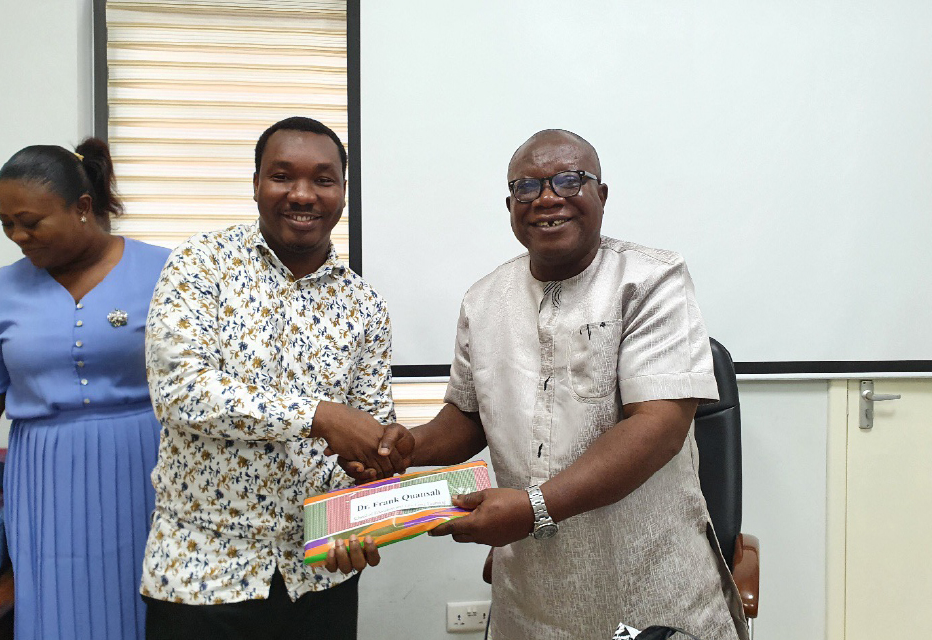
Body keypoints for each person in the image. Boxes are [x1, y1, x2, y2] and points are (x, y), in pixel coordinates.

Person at [343, 129, 750, 639]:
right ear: (510, 205)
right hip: (531, 597)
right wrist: (410, 446)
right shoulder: (483, 299)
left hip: (649, 587)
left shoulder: (651, 280)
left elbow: (659, 427)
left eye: (568, 180)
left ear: (601, 195)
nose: (548, 198)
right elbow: (469, 417)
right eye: (527, 188)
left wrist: (534, 508)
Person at [140, 116, 413, 640]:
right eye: (282, 176)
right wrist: (317, 415)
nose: (303, 194)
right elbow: (180, 392)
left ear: (343, 192)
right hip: (204, 574)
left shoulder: (364, 304)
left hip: (320, 574)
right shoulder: (200, 265)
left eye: (324, 180)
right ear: (256, 184)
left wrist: (369, 499)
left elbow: (369, 431)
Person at [0, 139, 171, 640]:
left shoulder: (169, 272)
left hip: (148, 467)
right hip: (44, 476)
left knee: (148, 606)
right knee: (59, 610)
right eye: (5, 223)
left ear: (83, 207)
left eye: (31, 221)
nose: (18, 235)